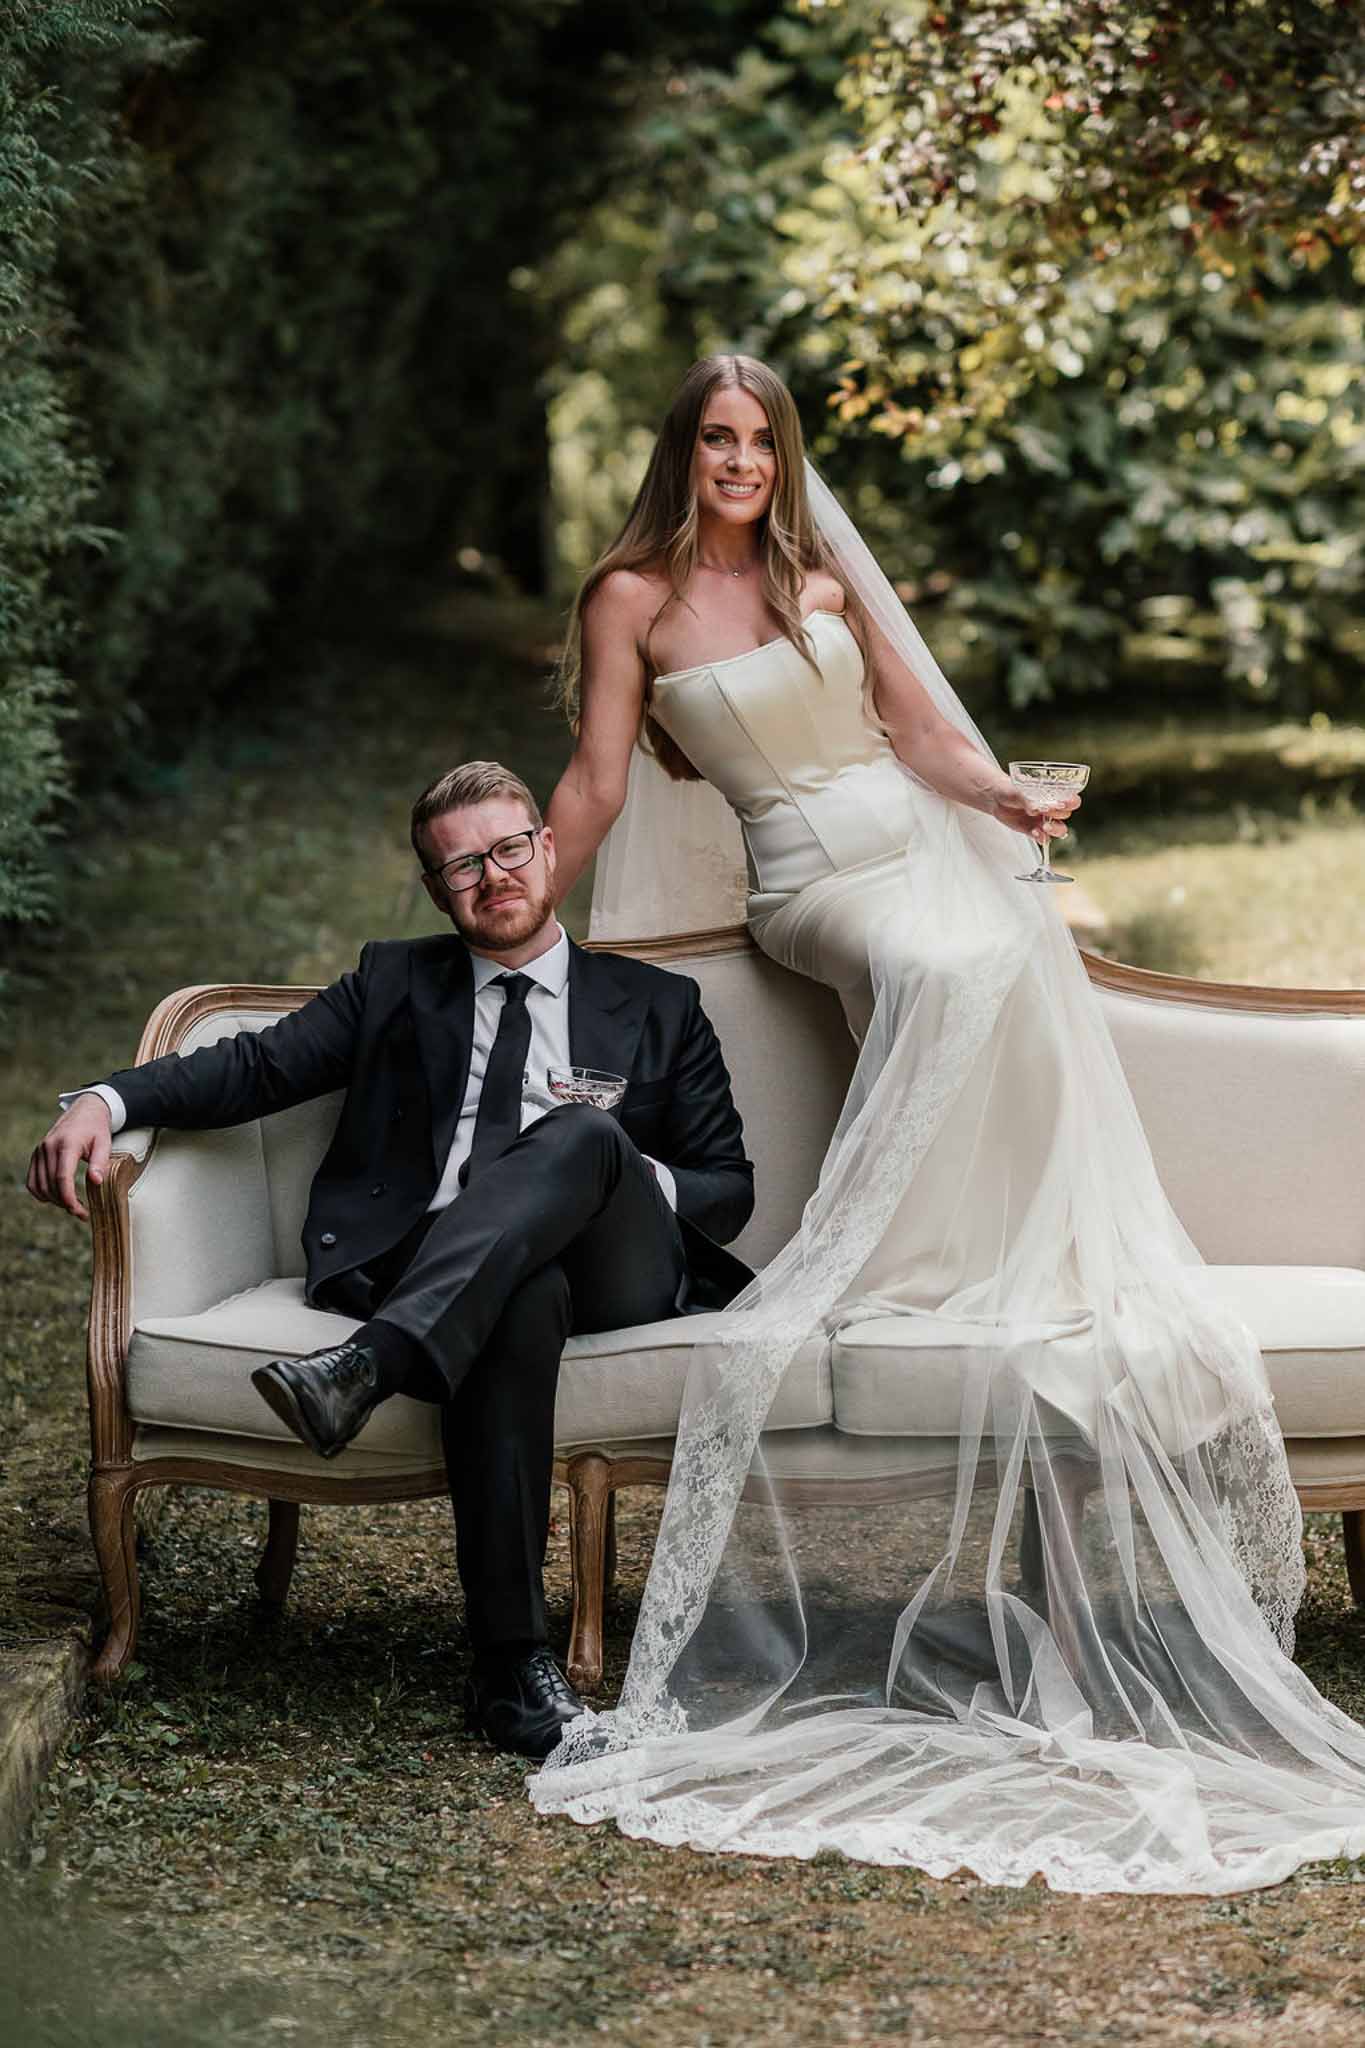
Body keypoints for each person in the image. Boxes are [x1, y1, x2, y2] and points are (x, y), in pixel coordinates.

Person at [527, 354, 1365, 1894]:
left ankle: (992, 1258)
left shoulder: (821, 574)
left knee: (1002, 935)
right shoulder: (630, 598)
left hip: (915, 833)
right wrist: (519, 893)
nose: (738, 463)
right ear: (682, 452)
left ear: (784, 457)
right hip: (813, 883)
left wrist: (1001, 803)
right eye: (714, 440)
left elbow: (916, 730)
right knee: (937, 956)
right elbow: (592, 781)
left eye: (759, 442)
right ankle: (892, 1262)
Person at [27, 760, 755, 1760]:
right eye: (461, 866)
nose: (491, 875)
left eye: (507, 849)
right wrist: (106, 1099)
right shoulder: (395, 982)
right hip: (447, 1266)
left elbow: (729, 1185)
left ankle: (366, 1363)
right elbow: (252, 1066)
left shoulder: (658, 1003)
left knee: (585, 1136)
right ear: (435, 889)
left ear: (547, 850)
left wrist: (608, 1168)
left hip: (618, 1267)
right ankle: (509, 1671)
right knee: (517, 1289)